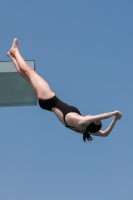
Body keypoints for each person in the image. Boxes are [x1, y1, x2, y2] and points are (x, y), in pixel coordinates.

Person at [7, 38, 122, 142]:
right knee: (27, 77)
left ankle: (15, 51)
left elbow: (103, 116)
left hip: (48, 97)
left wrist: (114, 113)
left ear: (90, 122)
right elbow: (105, 134)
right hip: (44, 103)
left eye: (92, 118)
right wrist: (115, 120)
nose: (90, 114)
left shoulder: (81, 122)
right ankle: (12, 56)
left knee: (30, 72)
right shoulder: (82, 129)